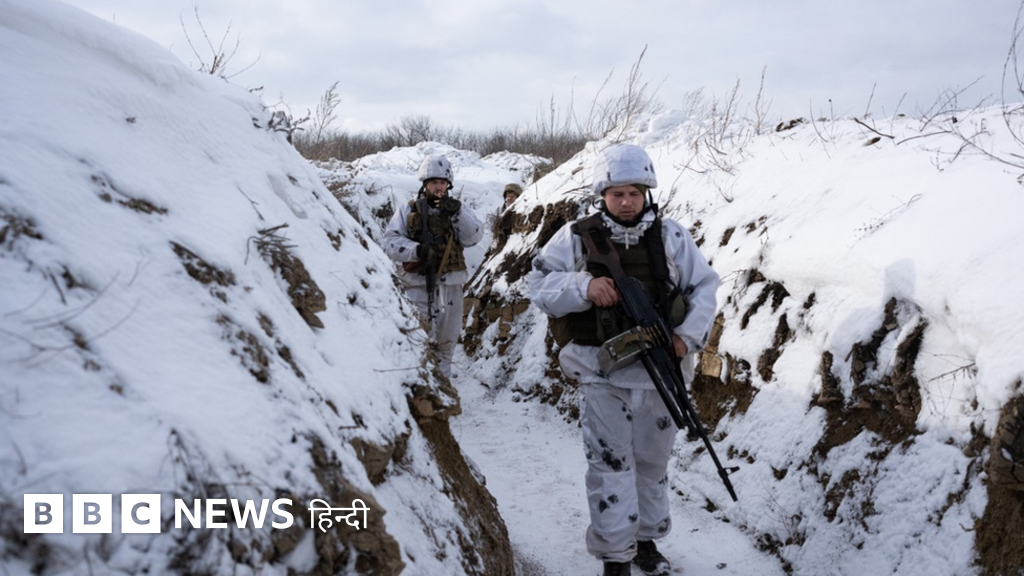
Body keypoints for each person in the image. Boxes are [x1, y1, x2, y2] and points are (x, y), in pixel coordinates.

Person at [527, 144, 719, 576]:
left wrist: (686, 339)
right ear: (603, 195)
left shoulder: (671, 237)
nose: (627, 202)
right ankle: (616, 556)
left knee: (652, 464)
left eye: (634, 193)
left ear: (646, 193)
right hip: (601, 372)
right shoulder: (576, 237)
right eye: (617, 194)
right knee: (610, 464)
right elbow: (538, 284)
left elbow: (704, 288)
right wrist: (583, 287)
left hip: (660, 374)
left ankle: (646, 540)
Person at [384, 154, 483, 378]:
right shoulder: (408, 210)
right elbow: (389, 241)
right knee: (420, 340)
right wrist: (417, 250)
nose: (438, 187)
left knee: (446, 345)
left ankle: (443, 389)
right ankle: (422, 385)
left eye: (442, 183)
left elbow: (473, 237)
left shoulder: (459, 209)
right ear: (425, 184)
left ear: (448, 185)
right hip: (417, 284)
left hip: (451, 286)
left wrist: (457, 213)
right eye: (434, 182)